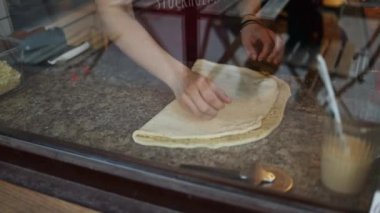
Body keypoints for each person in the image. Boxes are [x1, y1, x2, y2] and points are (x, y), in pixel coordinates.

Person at [95, 0, 231, 120]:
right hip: (141, 75)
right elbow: (112, 8)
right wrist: (178, 76)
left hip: (212, 60)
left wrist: (248, 17)